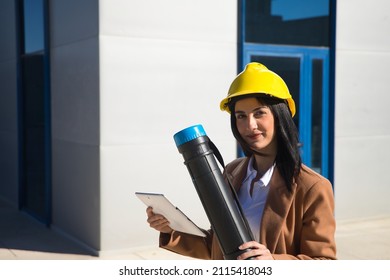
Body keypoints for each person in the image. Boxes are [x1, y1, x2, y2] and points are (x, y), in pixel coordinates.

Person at [146, 62, 336, 260]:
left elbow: (324, 262)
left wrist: (274, 262)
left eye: (259, 113)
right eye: (241, 116)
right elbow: (218, 246)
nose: (250, 125)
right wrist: (171, 230)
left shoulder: (313, 188)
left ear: (279, 116)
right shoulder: (232, 172)